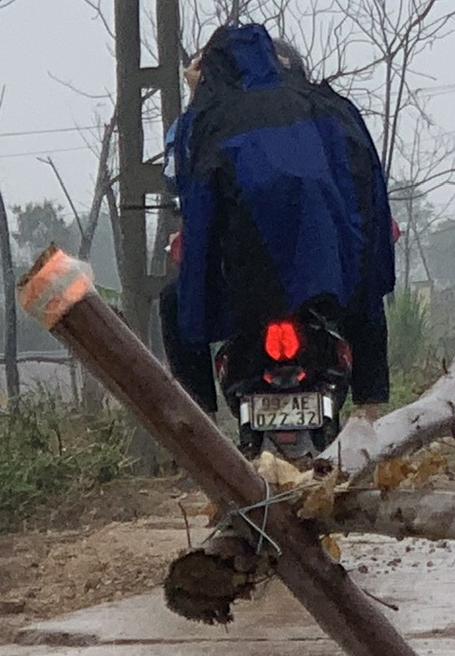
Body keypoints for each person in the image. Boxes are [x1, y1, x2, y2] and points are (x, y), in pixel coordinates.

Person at [164, 21, 394, 413]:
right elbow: (363, 175)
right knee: (364, 292)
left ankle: (198, 419)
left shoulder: (208, 118)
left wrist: (195, 96)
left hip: (242, 282)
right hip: (323, 276)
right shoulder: (326, 106)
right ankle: (369, 410)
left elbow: (176, 174)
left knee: (174, 303)